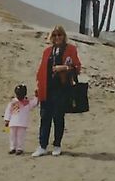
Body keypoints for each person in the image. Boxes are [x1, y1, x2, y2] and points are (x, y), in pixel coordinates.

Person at [32, 25, 81, 157]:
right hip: (47, 89)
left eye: (59, 35)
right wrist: (38, 87)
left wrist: (63, 68)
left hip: (61, 89)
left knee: (58, 118)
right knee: (44, 117)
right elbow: (41, 70)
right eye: (55, 35)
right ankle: (42, 146)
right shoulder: (47, 51)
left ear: (64, 36)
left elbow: (77, 67)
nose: (57, 37)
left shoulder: (71, 49)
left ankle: (57, 144)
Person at [4, 84, 38, 155]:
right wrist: (7, 120)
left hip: (22, 123)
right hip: (13, 122)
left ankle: (19, 148)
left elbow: (34, 103)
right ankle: (12, 147)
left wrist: (36, 96)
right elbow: (8, 111)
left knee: (20, 136)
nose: (19, 97)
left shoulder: (27, 102)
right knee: (12, 136)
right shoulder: (13, 102)